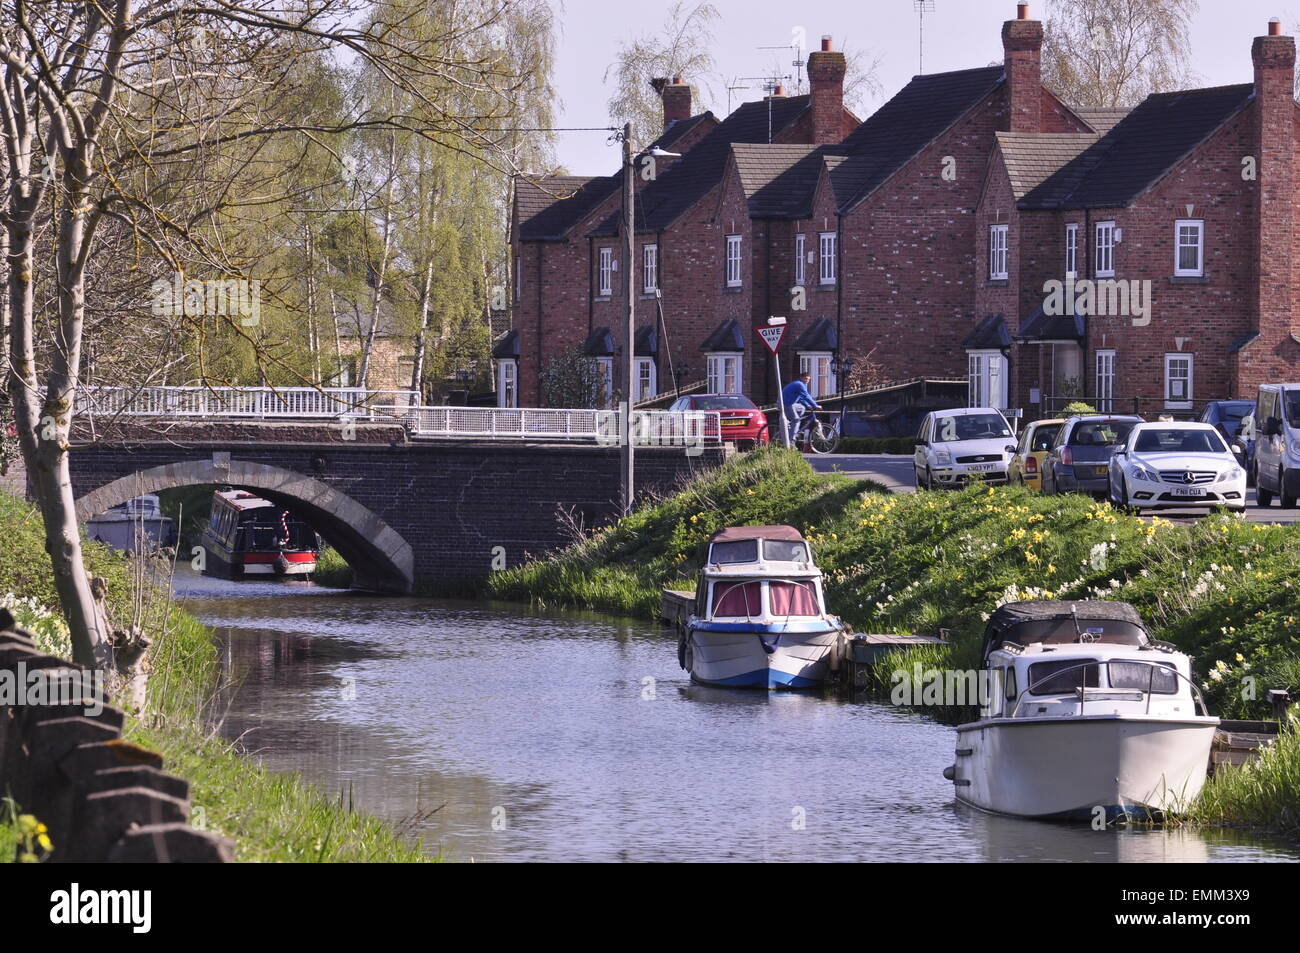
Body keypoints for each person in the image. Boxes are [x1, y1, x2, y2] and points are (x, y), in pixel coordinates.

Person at [782, 372, 821, 445]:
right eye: (806, 379)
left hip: (790, 403)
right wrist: (815, 405)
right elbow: (806, 396)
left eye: (808, 379)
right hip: (785, 404)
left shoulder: (801, 385)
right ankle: (791, 441)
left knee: (802, 408)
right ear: (801, 378)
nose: (807, 381)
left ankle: (792, 426)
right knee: (796, 420)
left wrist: (807, 405)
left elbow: (801, 398)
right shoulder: (799, 384)